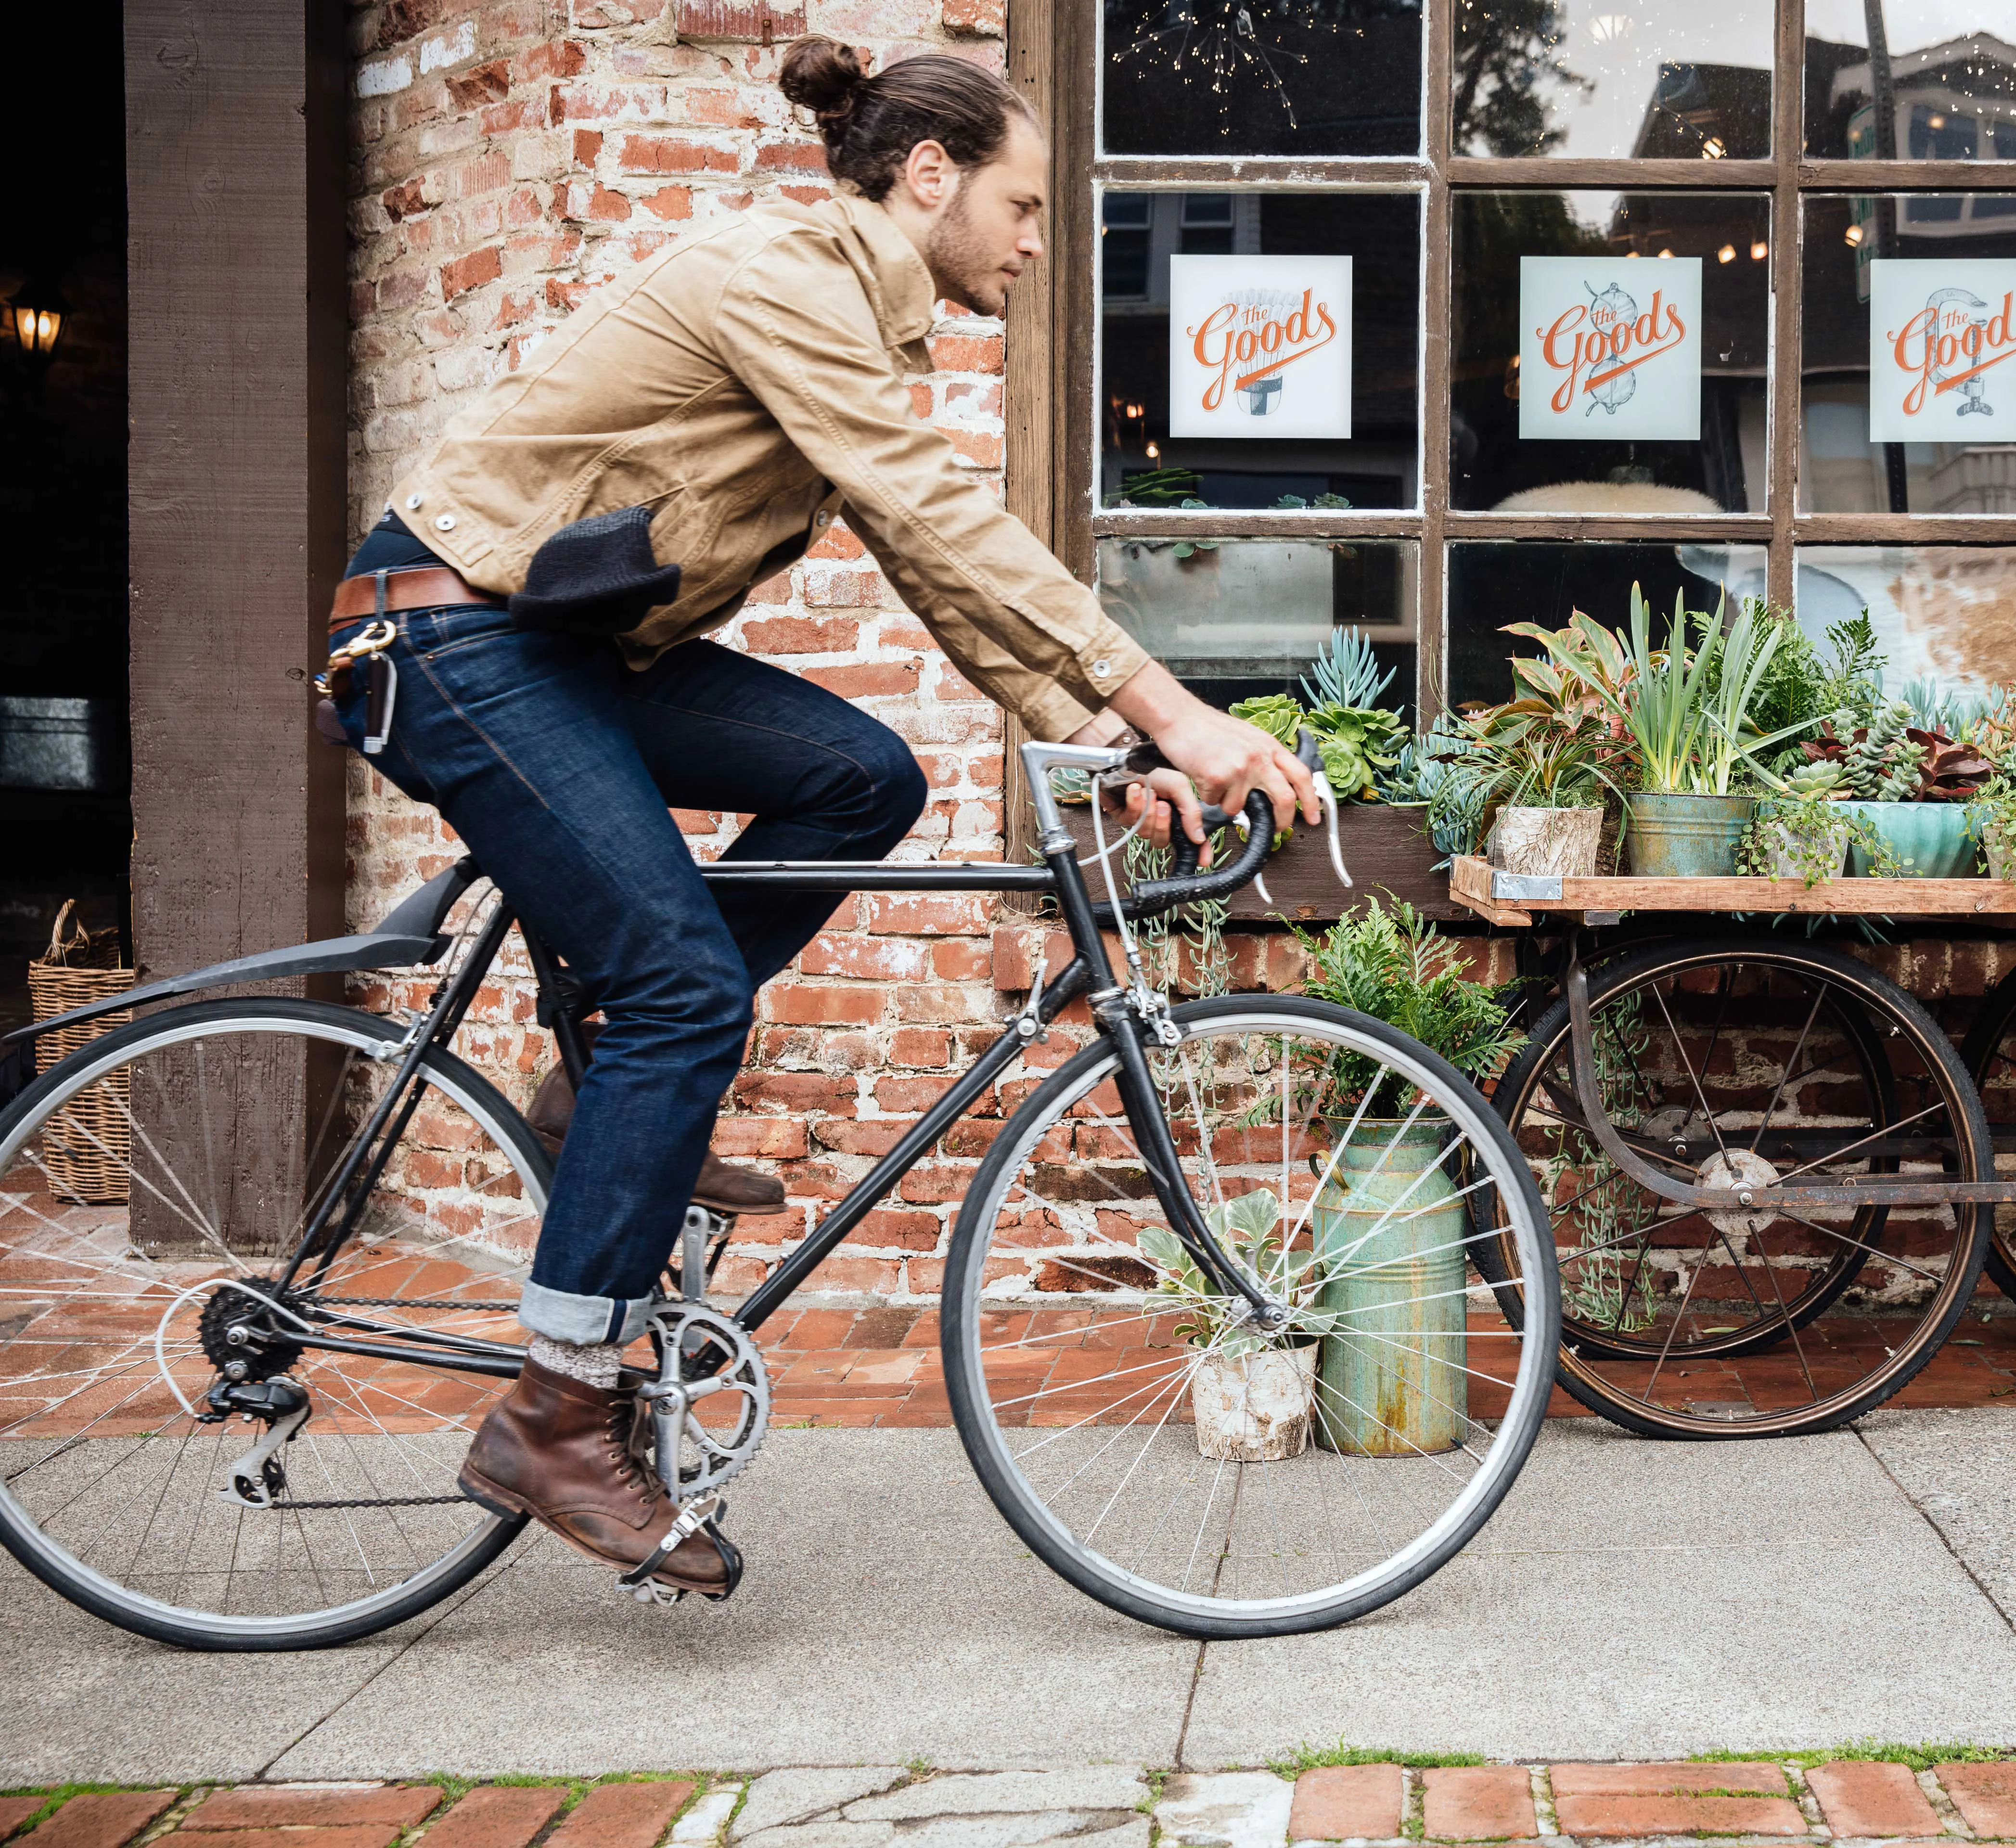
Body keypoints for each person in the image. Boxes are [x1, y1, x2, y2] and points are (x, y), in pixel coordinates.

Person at [325, 34, 1318, 1600]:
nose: (1041, 240)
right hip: (450, 640)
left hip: (554, 652)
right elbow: (939, 510)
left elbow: (935, 568)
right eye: (1028, 203)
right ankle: (557, 1413)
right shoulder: (785, 274)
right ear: (931, 175)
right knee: (683, 991)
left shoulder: (854, 317)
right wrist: (1180, 712)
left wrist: (1103, 736)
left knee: (865, 775)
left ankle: (600, 1087)